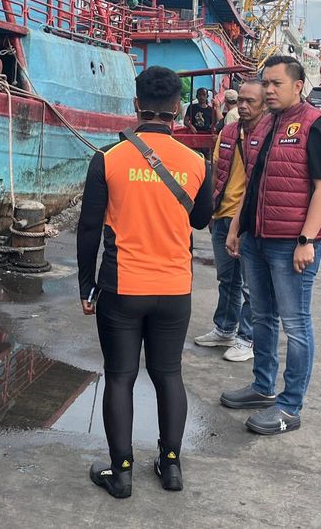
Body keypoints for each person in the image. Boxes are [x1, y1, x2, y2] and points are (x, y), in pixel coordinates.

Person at [77, 66, 214, 498]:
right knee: (168, 375)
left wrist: (86, 286)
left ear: (136, 104)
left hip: (122, 287)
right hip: (174, 287)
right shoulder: (196, 163)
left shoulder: (108, 158)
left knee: (119, 378)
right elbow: (201, 219)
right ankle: (171, 467)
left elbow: (87, 227)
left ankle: (121, 474)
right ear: (177, 108)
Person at [222, 56, 321, 435]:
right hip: (257, 239)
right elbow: (252, 183)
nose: (269, 90)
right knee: (262, 317)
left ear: (297, 85)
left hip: (291, 244)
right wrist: (236, 228)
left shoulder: (317, 126)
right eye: (266, 83)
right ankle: (263, 387)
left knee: (295, 324)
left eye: (276, 83)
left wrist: (306, 240)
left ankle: (289, 407)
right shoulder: (263, 126)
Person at [194, 80, 263, 362]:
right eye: (240, 101)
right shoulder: (228, 131)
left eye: (251, 102)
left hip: (247, 221)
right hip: (221, 215)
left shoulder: (266, 136)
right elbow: (216, 172)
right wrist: (211, 208)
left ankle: (248, 338)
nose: (244, 106)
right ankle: (225, 328)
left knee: (250, 285)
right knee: (227, 279)